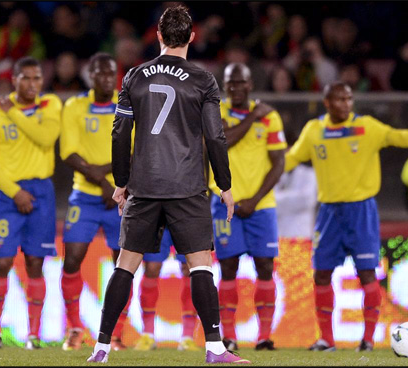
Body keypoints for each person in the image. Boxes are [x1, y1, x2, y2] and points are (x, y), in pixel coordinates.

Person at [86, 6, 250, 364]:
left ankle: (100, 348)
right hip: (188, 187)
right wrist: (225, 184)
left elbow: (120, 132)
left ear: (158, 36)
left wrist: (121, 182)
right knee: (201, 266)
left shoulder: (134, 76)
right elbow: (215, 136)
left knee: (125, 265)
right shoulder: (203, 79)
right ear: (193, 37)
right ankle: (215, 349)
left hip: (144, 187)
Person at [284, 81, 408, 352]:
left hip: (361, 211)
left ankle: (368, 340)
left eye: (349, 99)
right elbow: (289, 159)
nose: (346, 104)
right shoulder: (315, 130)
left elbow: (399, 136)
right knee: (322, 274)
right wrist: (256, 175)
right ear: (327, 103)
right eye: (340, 99)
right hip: (329, 213)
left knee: (367, 274)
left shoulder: (367, 127)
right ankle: (326, 339)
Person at [0, 56, 62, 350]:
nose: (32, 83)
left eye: (37, 78)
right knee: (2, 261)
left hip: (41, 191)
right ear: (14, 79)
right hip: (6, 193)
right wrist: (14, 192)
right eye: (25, 77)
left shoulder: (50, 104)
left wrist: (12, 112)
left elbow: (46, 137)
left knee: (35, 262)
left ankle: (34, 334)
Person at [208, 62, 286, 351]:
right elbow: (222, 142)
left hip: (261, 205)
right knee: (228, 266)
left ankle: (264, 336)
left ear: (250, 84)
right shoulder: (215, 111)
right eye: (230, 83)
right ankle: (228, 336)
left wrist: (254, 200)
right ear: (224, 86)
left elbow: (279, 163)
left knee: (265, 265)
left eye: (240, 83)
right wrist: (253, 116)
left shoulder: (272, 118)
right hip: (223, 202)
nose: (235, 88)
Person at [59, 52, 133, 351]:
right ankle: (75, 328)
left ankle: (116, 334)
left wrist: (109, 180)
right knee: (72, 258)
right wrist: (104, 181)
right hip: (85, 196)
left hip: (122, 196)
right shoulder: (75, 106)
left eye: (110, 73)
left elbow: (135, 150)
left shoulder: (127, 104)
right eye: (100, 73)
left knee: (123, 264)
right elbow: (69, 153)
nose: (105, 78)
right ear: (90, 75)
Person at [134, 229, 200, 352]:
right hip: (158, 218)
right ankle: (147, 335)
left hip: (184, 216)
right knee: (152, 268)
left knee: (190, 269)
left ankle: (188, 337)